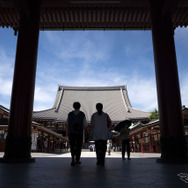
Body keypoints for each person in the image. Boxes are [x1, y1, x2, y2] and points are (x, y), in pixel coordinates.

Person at [67, 102, 87, 166]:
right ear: (79, 106)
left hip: (71, 133)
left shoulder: (70, 114)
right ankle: (77, 159)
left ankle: (73, 158)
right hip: (79, 133)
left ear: (73, 106)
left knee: (72, 146)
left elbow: (67, 123)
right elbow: (85, 124)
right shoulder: (82, 114)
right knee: (78, 146)